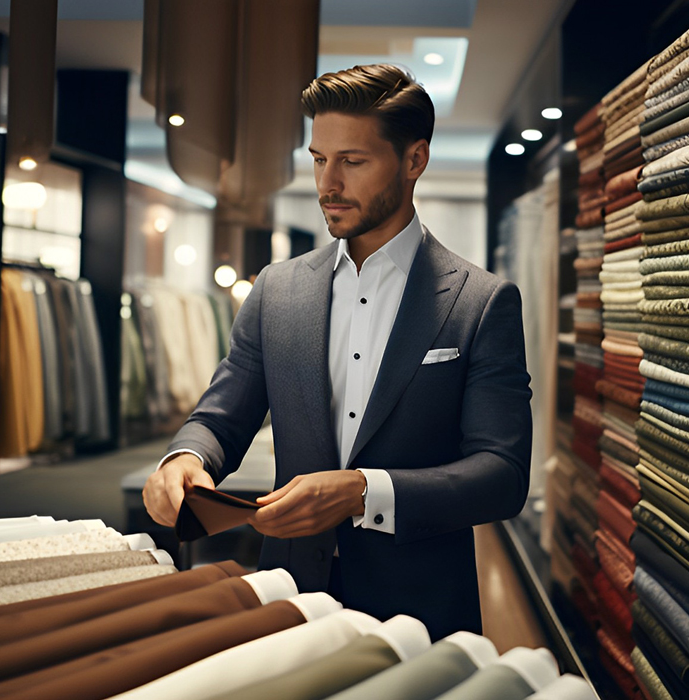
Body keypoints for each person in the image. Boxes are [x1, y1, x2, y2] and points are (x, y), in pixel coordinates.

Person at [143, 63, 532, 641]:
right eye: (319, 159)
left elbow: (501, 475)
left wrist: (363, 491)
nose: (328, 183)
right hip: (288, 599)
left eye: (352, 161)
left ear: (414, 160)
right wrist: (184, 459)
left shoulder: (482, 302)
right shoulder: (276, 289)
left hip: (420, 615)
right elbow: (221, 416)